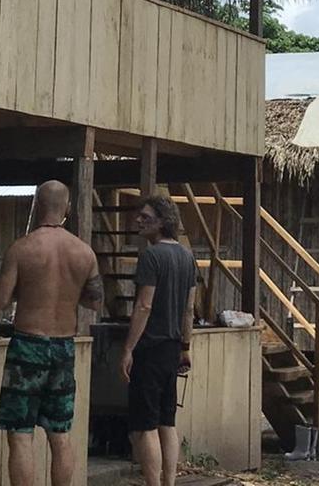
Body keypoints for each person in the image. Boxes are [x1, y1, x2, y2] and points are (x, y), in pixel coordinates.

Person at [0, 180, 104, 486]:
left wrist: (27, 291)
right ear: (67, 208)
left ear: (37, 205)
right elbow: (95, 300)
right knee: (60, 433)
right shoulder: (84, 252)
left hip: (28, 343)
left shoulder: (21, 248)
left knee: (20, 434)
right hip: (63, 346)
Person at [121, 194, 196, 486]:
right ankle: (169, 482)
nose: (139, 220)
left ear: (163, 222)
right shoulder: (187, 256)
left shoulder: (151, 256)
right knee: (168, 422)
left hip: (150, 347)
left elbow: (144, 305)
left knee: (146, 425)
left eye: (146, 217)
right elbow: (189, 309)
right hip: (173, 346)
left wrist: (128, 348)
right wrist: (186, 347)